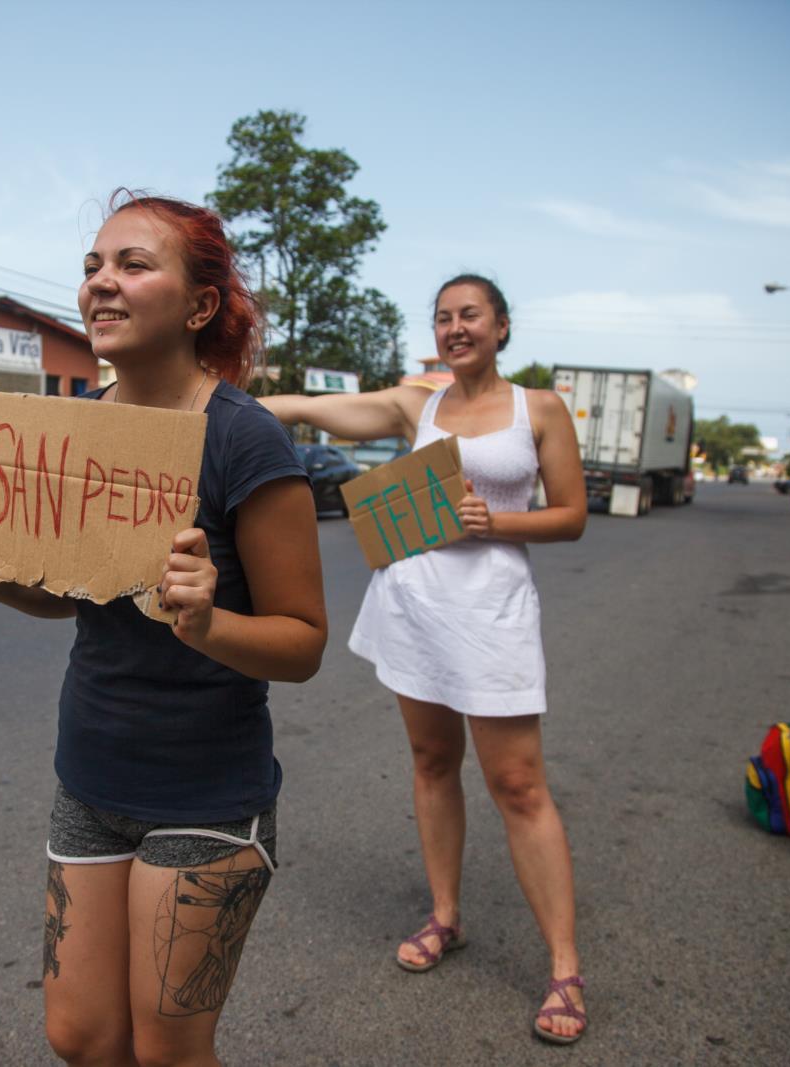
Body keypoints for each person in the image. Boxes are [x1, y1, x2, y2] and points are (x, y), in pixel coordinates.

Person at [0, 191, 327, 1067]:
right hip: (90, 775)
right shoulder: (83, 425)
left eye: (133, 265)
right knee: (81, 1036)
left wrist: (207, 620)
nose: (102, 285)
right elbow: (76, 595)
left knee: (169, 1053)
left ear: (199, 306)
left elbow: (303, 642)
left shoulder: (246, 442)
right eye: (92, 268)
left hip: (207, 799)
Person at [260, 274, 591, 1045]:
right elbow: (313, 410)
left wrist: (497, 520)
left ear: (502, 326)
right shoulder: (420, 403)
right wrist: (212, 399)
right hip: (415, 605)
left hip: (494, 614)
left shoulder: (538, 409)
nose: (455, 327)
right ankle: (446, 915)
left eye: (470, 314)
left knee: (518, 783)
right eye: (443, 317)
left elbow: (572, 517)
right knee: (431, 761)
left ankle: (565, 968)